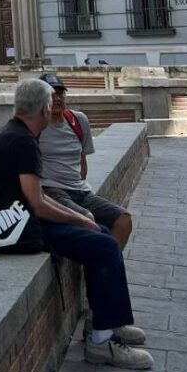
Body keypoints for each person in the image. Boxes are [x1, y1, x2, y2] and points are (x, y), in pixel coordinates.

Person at [0, 77, 152, 370]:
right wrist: (79, 219)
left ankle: (107, 322)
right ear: (44, 110)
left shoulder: (14, 134)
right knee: (105, 246)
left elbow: (39, 196)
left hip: (20, 219)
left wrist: (81, 217)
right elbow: (38, 203)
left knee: (103, 237)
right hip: (25, 226)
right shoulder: (24, 143)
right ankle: (100, 342)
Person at [38, 73, 132, 249]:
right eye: (51, 94)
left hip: (80, 190)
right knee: (89, 222)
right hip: (52, 190)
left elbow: (82, 159)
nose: (57, 98)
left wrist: (80, 184)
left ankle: (111, 266)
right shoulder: (37, 124)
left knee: (123, 220)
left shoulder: (78, 120)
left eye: (60, 93)